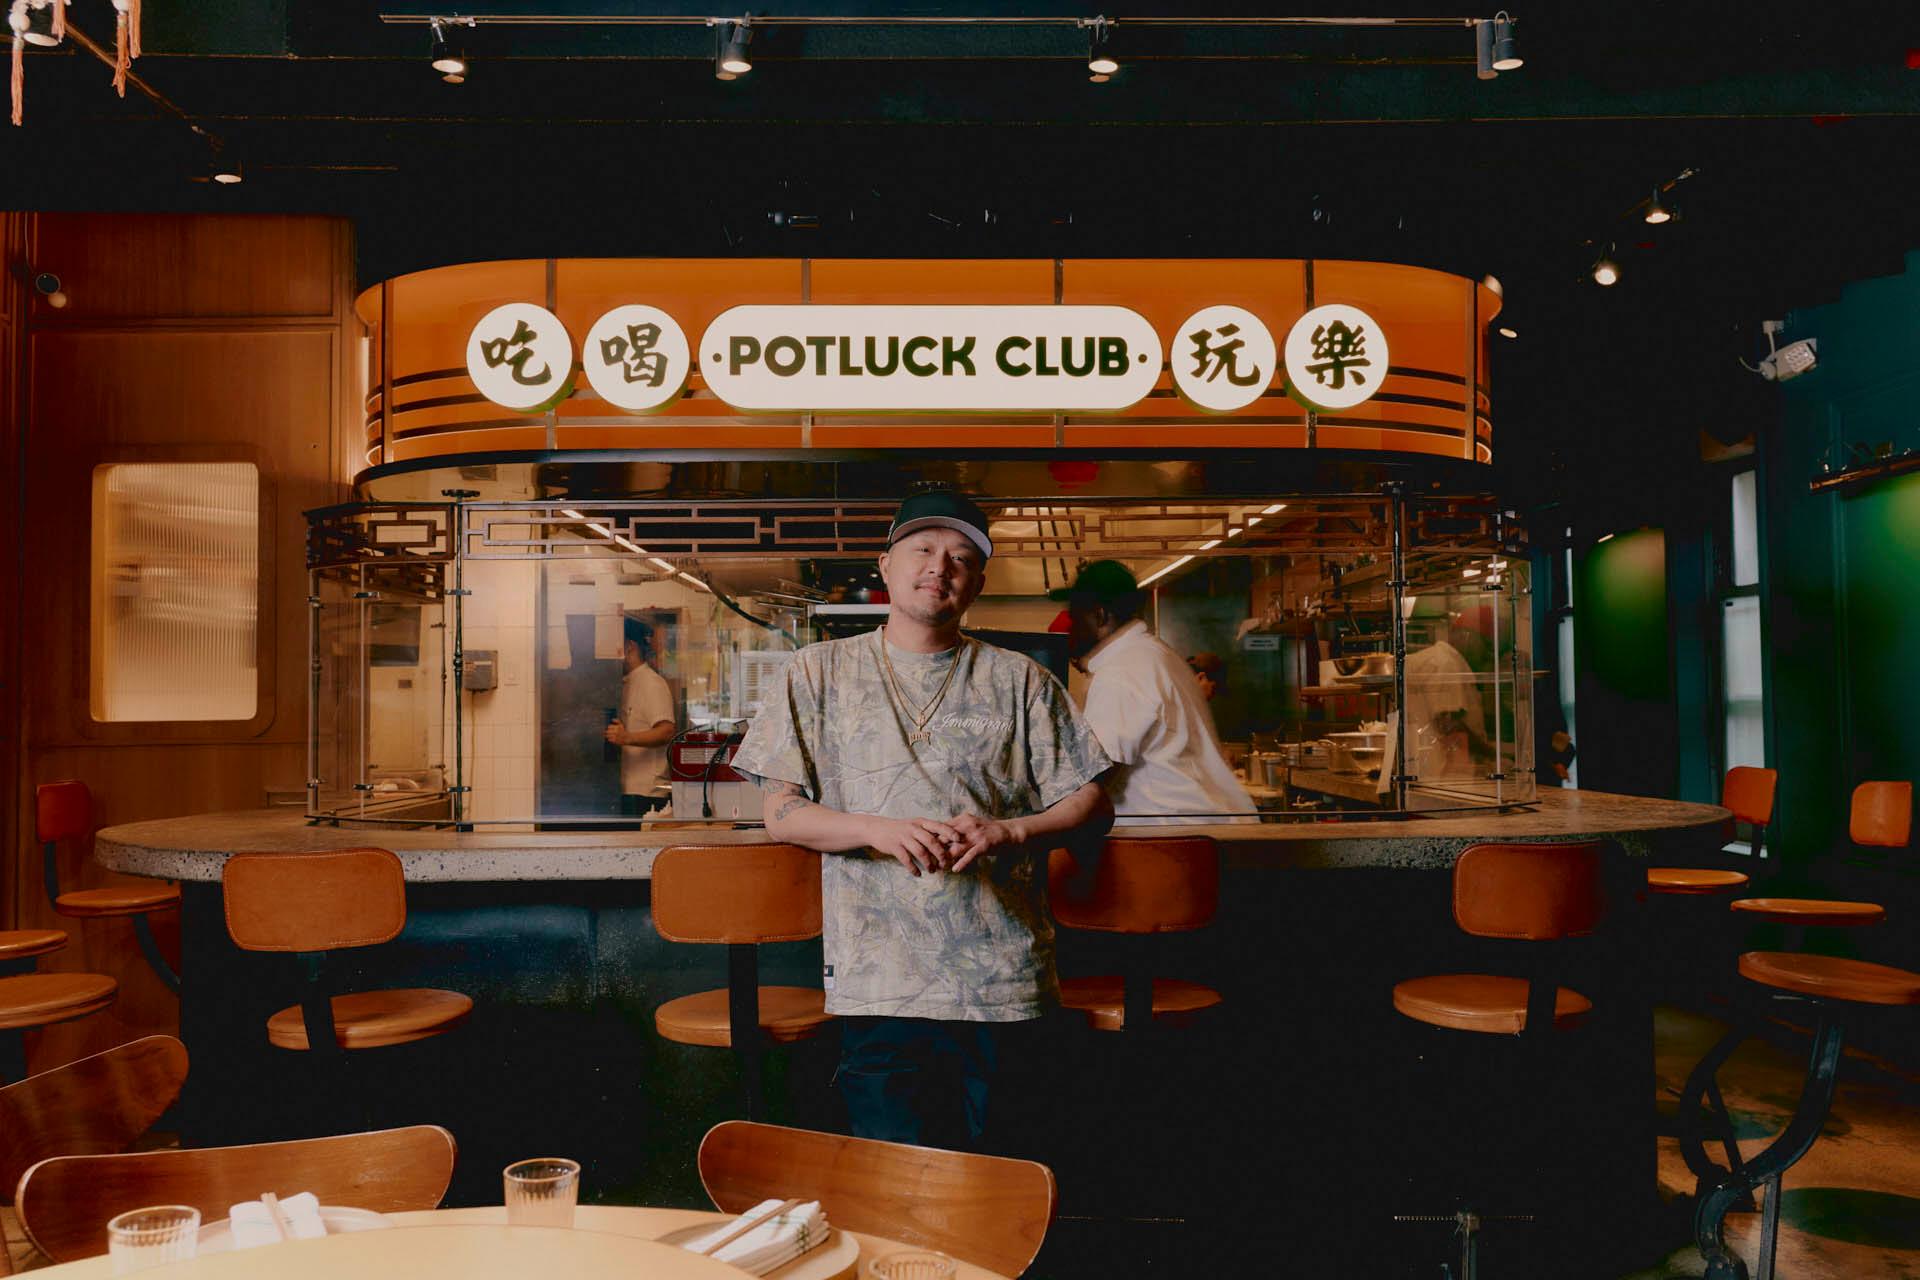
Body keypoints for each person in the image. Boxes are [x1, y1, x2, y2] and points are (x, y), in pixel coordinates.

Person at [731, 488, 1113, 1150]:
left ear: (977, 583)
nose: (941, 566)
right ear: (886, 565)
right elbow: (782, 813)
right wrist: (878, 829)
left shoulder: (1020, 680)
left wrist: (1010, 830)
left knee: (1003, 1186)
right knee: (895, 1190)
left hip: (1003, 980)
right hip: (880, 983)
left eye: (961, 558)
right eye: (925, 549)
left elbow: (1091, 802)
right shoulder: (816, 673)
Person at [1056, 560, 1258, 825]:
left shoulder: (1122, 669)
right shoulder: (1157, 654)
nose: (1073, 628)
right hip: (1206, 829)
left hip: (1177, 837)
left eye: (1077, 616)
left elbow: (1092, 775)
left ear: (1100, 616)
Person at [605, 615, 677, 816]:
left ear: (629, 646)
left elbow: (666, 731)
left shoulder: (652, 683)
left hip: (646, 795)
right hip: (627, 790)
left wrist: (627, 737)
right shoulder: (626, 682)